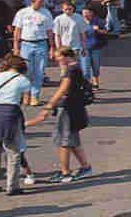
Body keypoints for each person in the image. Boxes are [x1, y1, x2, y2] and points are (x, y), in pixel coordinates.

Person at [28, 47, 94, 183]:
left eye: (58, 57)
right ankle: (85, 167)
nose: (55, 59)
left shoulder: (71, 70)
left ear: (66, 56)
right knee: (73, 141)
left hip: (68, 109)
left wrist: (49, 105)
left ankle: (65, 172)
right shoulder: (74, 68)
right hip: (75, 108)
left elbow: (63, 89)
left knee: (63, 141)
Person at [0, 54, 33, 195]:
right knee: (13, 151)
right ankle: (12, 185)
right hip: (10, 113)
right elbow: (26, 101)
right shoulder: (23, 80)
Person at [12, 0, 55, 106]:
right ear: (32, 1)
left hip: (41, 44)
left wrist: (52, 47)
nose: (41, 3)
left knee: (39, 72)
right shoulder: (22, 13)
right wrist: (15, 47)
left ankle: (35, 96)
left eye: (42, 1)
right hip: (26, 44)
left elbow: (50, 32)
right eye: (39, 1)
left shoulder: (46, 13)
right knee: (26, 71)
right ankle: (25, 94)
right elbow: (17, 31)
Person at [84, 8, 111, 87]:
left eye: (87, 13)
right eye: (83, 13)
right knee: (85, 66)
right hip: (84, 47)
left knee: (96, 65)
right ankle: (87, 83)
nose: (85, 15)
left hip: (96, 47)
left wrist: (98, 30)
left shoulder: (98, 21)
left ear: (91, 13)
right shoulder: (80, 22)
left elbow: (106, 31)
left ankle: (95, 79)